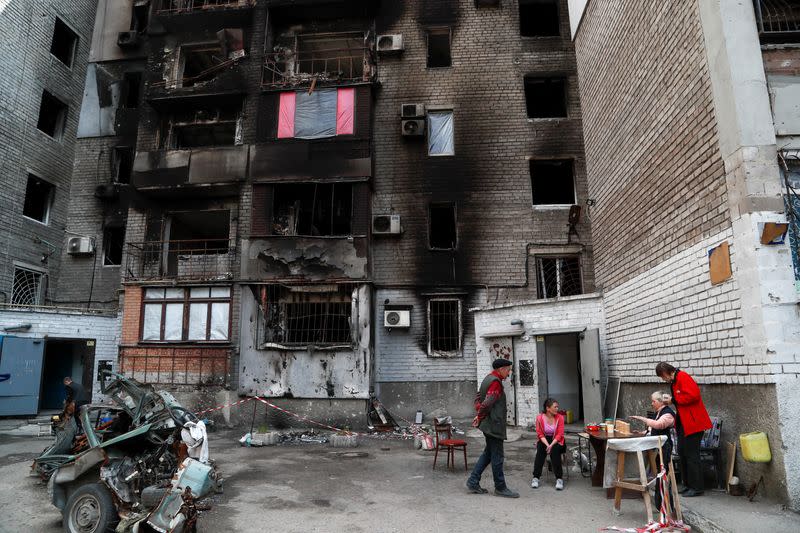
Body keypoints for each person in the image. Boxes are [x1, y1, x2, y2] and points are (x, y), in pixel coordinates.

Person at [655, 362, 711, 497]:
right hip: (684, 422)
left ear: (667, 373)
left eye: (663, 377)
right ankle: (687, 484)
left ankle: (697, 487)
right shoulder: (674, 381)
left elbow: (693, 396)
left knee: (692, 455)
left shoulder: (683, 377)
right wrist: (673, 400)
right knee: (682, 451)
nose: (664, 380)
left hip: (693, 422)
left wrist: (673, 400)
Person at [466, 358, 519, 498]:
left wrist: (479, 414)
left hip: (488, 425)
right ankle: (500, 487)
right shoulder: (495, 382)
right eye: (508, 370)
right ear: (501, 369)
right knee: (497, 457)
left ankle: (473, 481)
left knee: (488, 454)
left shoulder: (487, 378)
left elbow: (478, 398)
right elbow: (487, 404)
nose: (508, 373)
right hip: (494, 426)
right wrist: (480, 415)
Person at [631, 391, 676, 511]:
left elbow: (658, 425)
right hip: (660, 447)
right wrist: (642, 433)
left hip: (665, 448)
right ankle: (660, 504)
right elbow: (653, 430)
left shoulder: (668, 414)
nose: (652, 403)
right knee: (659, 475)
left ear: (660, 402)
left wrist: (642, 419)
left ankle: (668, 507)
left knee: (664, 476)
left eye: (653, 401)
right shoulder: (659, 412)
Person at [530, 398, 566, 490]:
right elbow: (540, 434)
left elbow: (559, 434)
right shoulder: (539, 418)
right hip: (544, 440)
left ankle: (559, 478)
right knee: (540, 449)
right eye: (555, 407)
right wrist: (547, 445)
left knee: (555, 450)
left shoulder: (560, 418)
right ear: (548, 408)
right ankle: (535, 477)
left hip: (558, 441)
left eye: (557, 407)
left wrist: (551, 445)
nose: (557, 409)